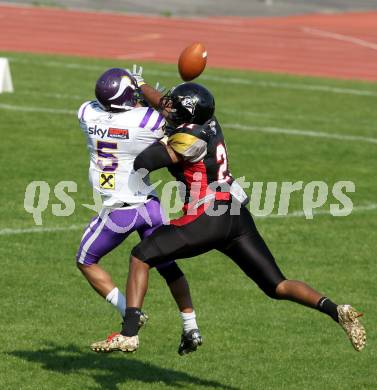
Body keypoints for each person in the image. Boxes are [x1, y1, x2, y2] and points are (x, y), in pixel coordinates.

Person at [94, 71, 366, 353]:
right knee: (277, 285)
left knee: (141, 255)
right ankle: (337, 310)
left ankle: (129, 333)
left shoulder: (187, 140)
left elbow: (144, 161)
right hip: (235, 214)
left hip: (208, 217)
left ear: (185, 115)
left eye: (174, 107)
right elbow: (166, 105)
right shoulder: (208, 121)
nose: (168, 108)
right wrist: (141, 86)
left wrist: (156, 132)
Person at [76, 68, 202, 355]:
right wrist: (144, 90)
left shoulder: (86, 114)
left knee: (85, 259)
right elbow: (170, 113)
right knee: (166, 264)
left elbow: (103, 107)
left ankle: (130, 314)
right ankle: (190, 324)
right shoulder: (145, 120)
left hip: (118, 211)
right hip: (149, 205)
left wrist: (129, 95)